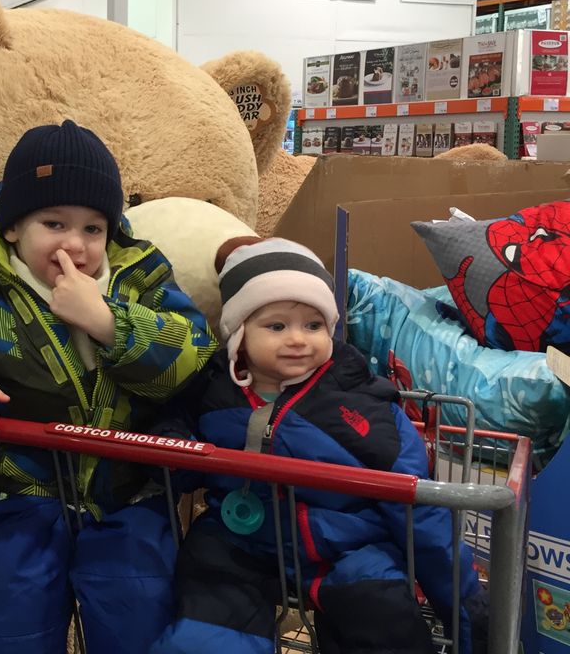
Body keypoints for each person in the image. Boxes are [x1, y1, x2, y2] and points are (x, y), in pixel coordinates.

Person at [0, 119, 216, 654]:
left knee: (139, 623)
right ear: (12, 228)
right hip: (19, 499)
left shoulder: (141, 280)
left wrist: (110, 322)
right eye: (53, 223)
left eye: (93, 228)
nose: (76, 243)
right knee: (9, 631)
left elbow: (194, 354)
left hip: (129, 498)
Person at [150, 237, 487, 654]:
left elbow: (418, 509)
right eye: (276, 326)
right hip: (243, 539)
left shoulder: (364, 403)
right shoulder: (212, 389)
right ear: (238, 334)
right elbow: (175, 434)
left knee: (385, 619)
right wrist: (175, 448)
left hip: (350, 548)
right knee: (204, 618)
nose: (298, 339)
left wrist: (466, 606)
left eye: (314, 325)